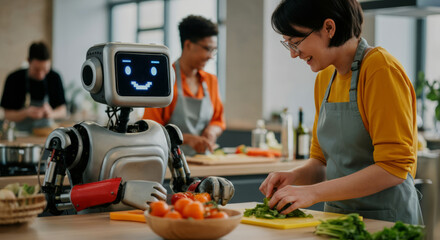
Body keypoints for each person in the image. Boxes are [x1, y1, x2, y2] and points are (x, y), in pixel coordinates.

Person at [259, 0, 422, 224]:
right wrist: (294, 176)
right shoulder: (325, 78)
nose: (294, 54)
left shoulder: (380, 69)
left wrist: (313, 193)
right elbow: (321, 162)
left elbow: (393, 168)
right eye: (288, 44)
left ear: (329, 28)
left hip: (387, 223)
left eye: (296, 42)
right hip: (338, 222)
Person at [143, 15, 225, 156]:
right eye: (207, 49)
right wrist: (186, 139)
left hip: (203, 161)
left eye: (214, 50)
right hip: (170, 162)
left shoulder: (211, 81)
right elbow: (150, 129)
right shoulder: (163, 81)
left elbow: (218, 121)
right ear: (188, 45)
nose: (211, 56)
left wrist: (212, 131)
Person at [1, 42, 67, 133]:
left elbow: (63, 111)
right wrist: (26, 112)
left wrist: (51, 113)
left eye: (45, 70)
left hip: (46, 133)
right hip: (21, 135)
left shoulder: (54, 78)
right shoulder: (14, 78)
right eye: (36, 70)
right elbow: (7, 115)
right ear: (28, 61)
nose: (41, 75)